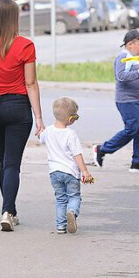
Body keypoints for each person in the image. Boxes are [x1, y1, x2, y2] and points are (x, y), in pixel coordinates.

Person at [0, 0, 45, 231]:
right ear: (15, 17)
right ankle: (7, 211)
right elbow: (31, 83)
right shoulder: (25, 45)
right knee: (11, 164)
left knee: (4, 162)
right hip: (18, 108)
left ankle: (10, 210)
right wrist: (39, 117)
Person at [93, 29, 139, 173]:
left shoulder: (135, 58)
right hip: (128, 101)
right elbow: (121, 76)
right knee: (131, 129)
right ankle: (102, 149)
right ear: (130, 44)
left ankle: (137, 162)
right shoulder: (123, 57)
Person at [39, 97, 92, 234]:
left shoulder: (48, 131)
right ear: (70, 119)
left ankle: (61, 226)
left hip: (54, 173)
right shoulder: (70, 134)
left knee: (60, 198)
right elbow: (77, 154)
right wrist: (85, 171)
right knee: (74, 196)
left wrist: (40, 130)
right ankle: (72, 212)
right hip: (70, 172)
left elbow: (40, 138)